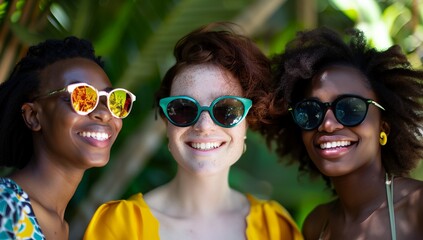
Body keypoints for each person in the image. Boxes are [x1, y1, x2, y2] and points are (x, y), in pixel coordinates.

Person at [83, 22, 303, 240]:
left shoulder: (275, 227)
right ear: (167, 123)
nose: (204, 126)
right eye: (183, 109)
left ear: (246, 121)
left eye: (226, 110)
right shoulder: (120, 226)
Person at [263, 27, 423, 239]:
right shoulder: (316, 224)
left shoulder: (417, 206)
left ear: (383, 127)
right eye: (310, 111)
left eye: (350, 109)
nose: (327, 124)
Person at [0, 37, 136, 239]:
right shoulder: (5, 207)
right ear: (33, 116)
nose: (104, 113)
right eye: (82, 97)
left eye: (114, 100)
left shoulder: (61, 227)